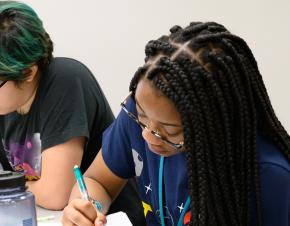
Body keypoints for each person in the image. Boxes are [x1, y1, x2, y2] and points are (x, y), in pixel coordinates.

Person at [62, 21, 290, 226]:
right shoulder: (139, 116)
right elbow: (97, 180)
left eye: (169, 130)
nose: (148, 135)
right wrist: (89, 208)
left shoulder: (268, 176)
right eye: (141, 117)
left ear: (212, 126)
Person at [0, 1, 145, 225]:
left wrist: (8, 189)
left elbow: (55, 194)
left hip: (106, 219)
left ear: (28, 72)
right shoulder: (6, 101)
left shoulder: (65, 80)